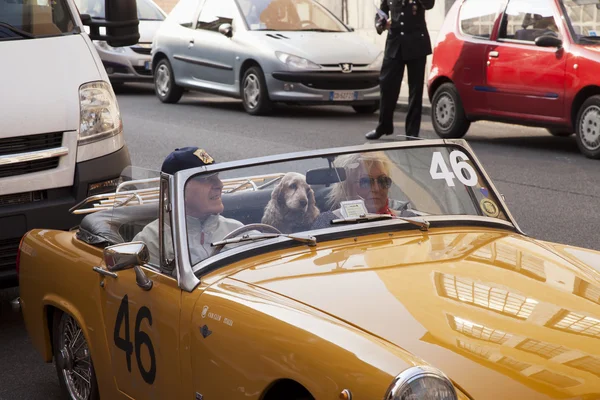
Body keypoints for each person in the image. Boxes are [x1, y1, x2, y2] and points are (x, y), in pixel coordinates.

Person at [133, 147, 244, 267]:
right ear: (174, 189)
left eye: (217, 176)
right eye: (206, 179)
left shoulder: (238, 231)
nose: (219, 185)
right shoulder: (151, 242)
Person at [365, 0, 435, 140]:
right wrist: (381, 24)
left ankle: (412, 133)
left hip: (416, 43)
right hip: (395, 43)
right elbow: (382, 12)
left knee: (415, 91)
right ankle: (383, 126)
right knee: (387, 85)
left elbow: (429, 4)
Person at [311, 152, 415, 229]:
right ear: (348, 187)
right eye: (365, 182)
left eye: (383, 181)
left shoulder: (409, 220)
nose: (377, 188)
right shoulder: (327, 224)